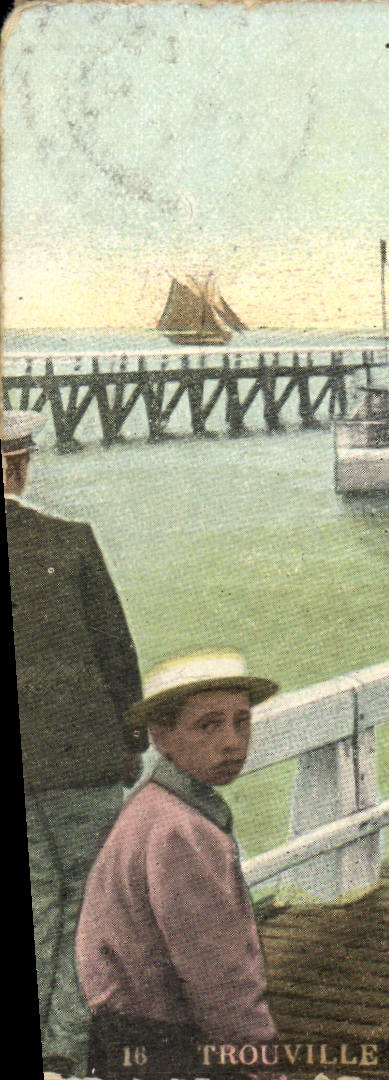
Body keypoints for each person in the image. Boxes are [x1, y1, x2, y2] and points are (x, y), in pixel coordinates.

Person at [9, 409, 146, 1077]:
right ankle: (63, 1048)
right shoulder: (69, 541)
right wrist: (132, 739)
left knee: (38, 901)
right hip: (81, 760)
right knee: (91, 899)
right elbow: (117, 655)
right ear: (21, 462)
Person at [77, 650, 280, 1079]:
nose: (232, 741)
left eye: (241, 721)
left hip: (123, 1034)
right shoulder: (180, 830)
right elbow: (220, 980)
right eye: (209, 725)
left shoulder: (153, 804)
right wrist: (263, 1068)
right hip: (160, 1045)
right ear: (161, 736)